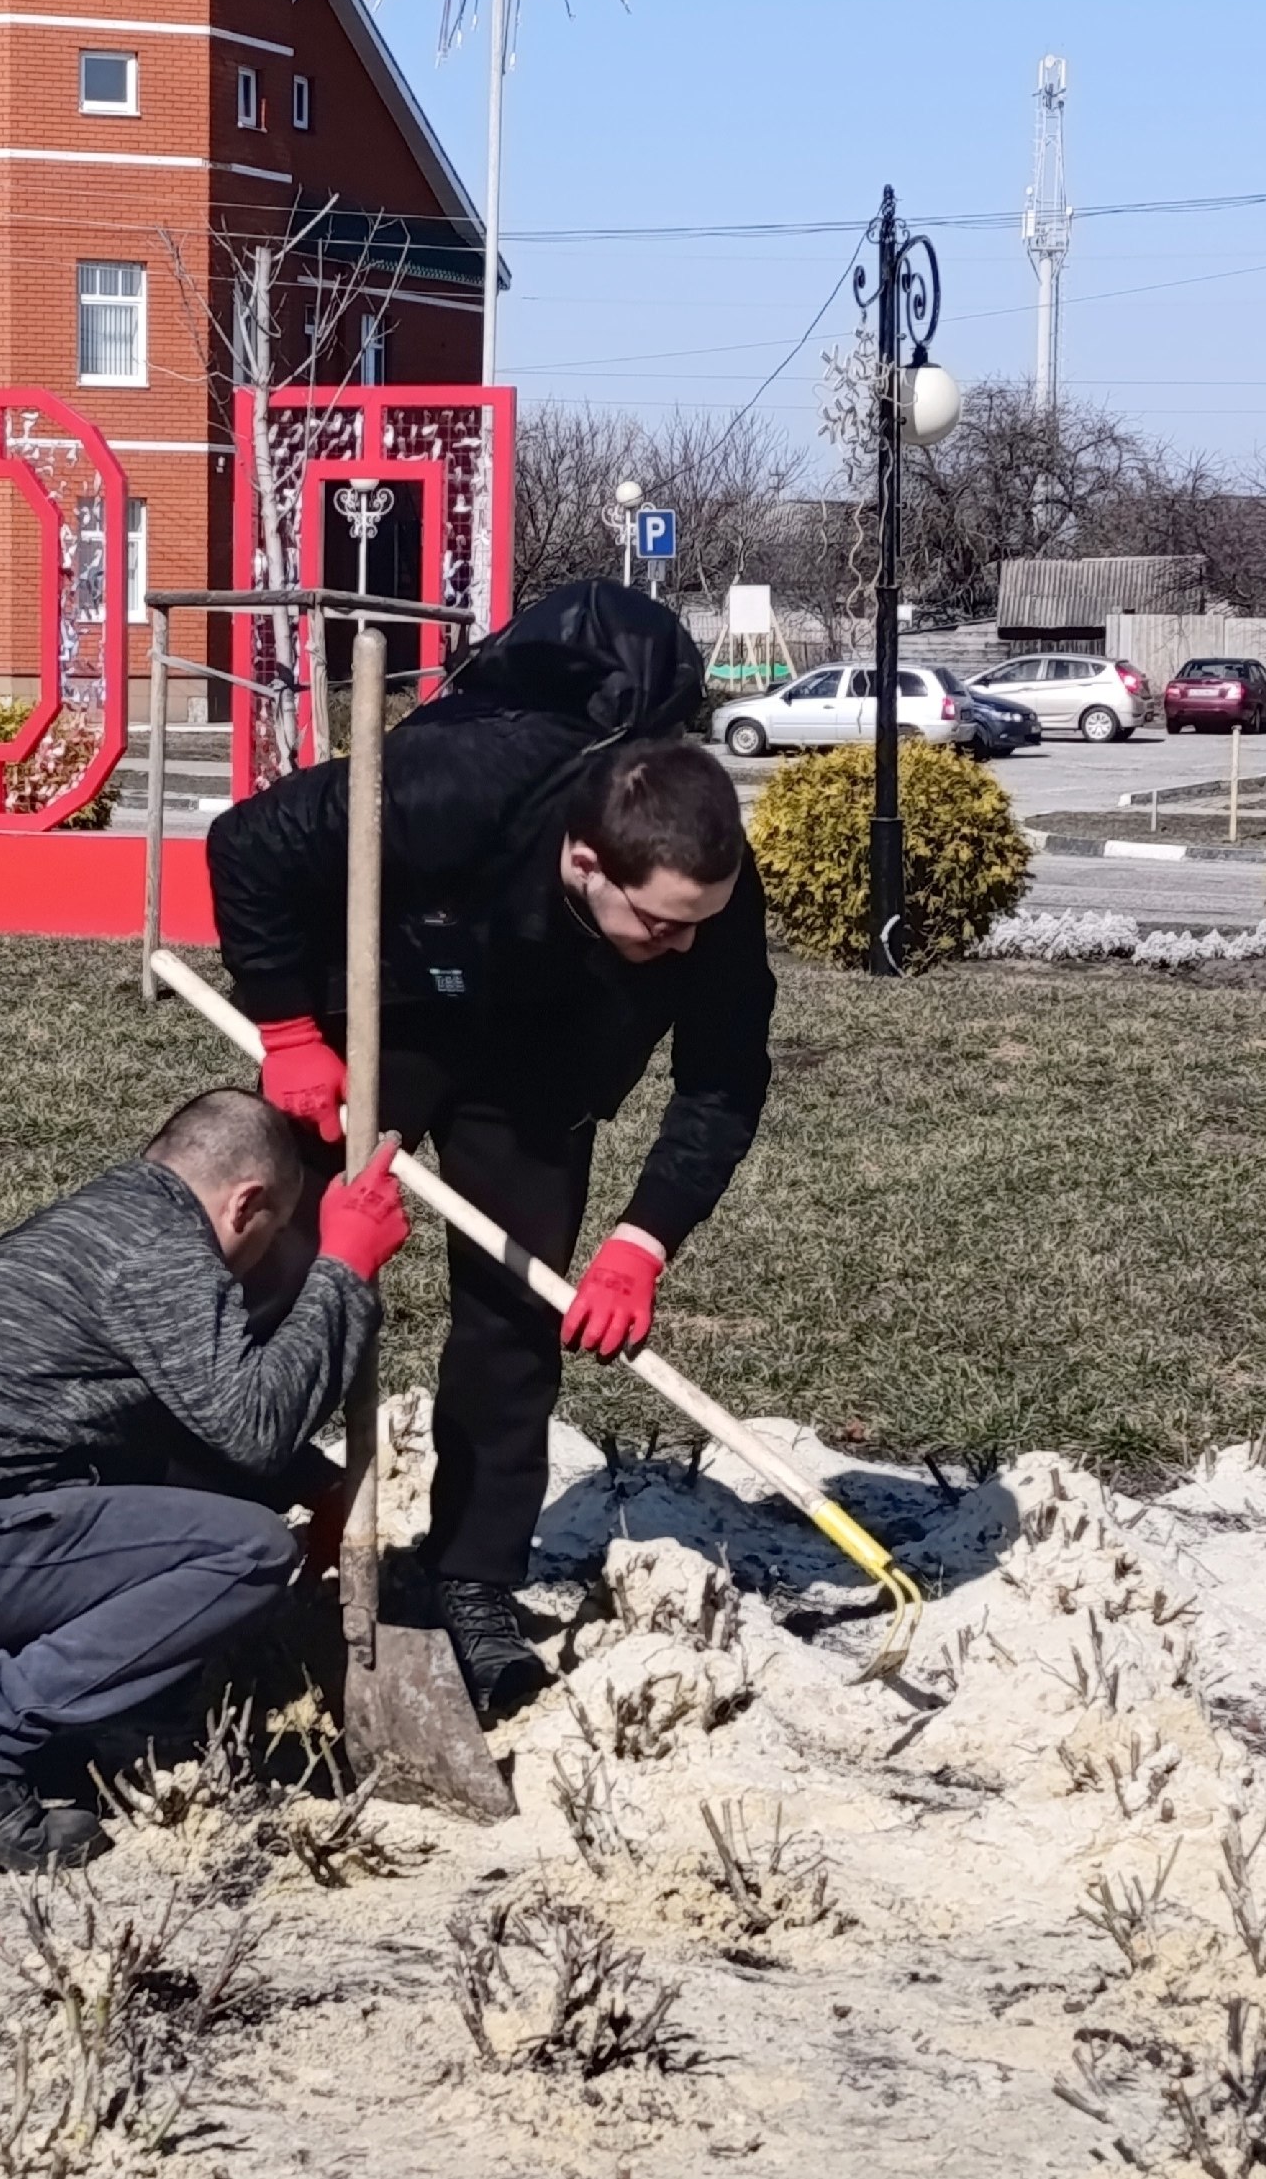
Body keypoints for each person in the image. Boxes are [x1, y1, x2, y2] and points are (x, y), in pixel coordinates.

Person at [206, 580, 775, 1719]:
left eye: (696, 925)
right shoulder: (455, 785)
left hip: (542, 1078)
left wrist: (641, 1241)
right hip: (388, 1009)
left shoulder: (708, 896)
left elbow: (722, 1077)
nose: (680, 946)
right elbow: (248, 846)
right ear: (584, 860)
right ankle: (214, 1512)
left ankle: (470, 1580)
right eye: (658, 924)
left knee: (513, 1326)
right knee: (270, 1257)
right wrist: (284, 1029)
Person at [0, 1090, 410, 1872]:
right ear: (248, 1202)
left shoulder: (103, 1221)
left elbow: (169, 1432)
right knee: (244, 1550)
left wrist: (319, 1481)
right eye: (270, 1233)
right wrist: (343, 1270)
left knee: (157, 1495)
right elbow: (253, 1423)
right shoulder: (161, 1248)